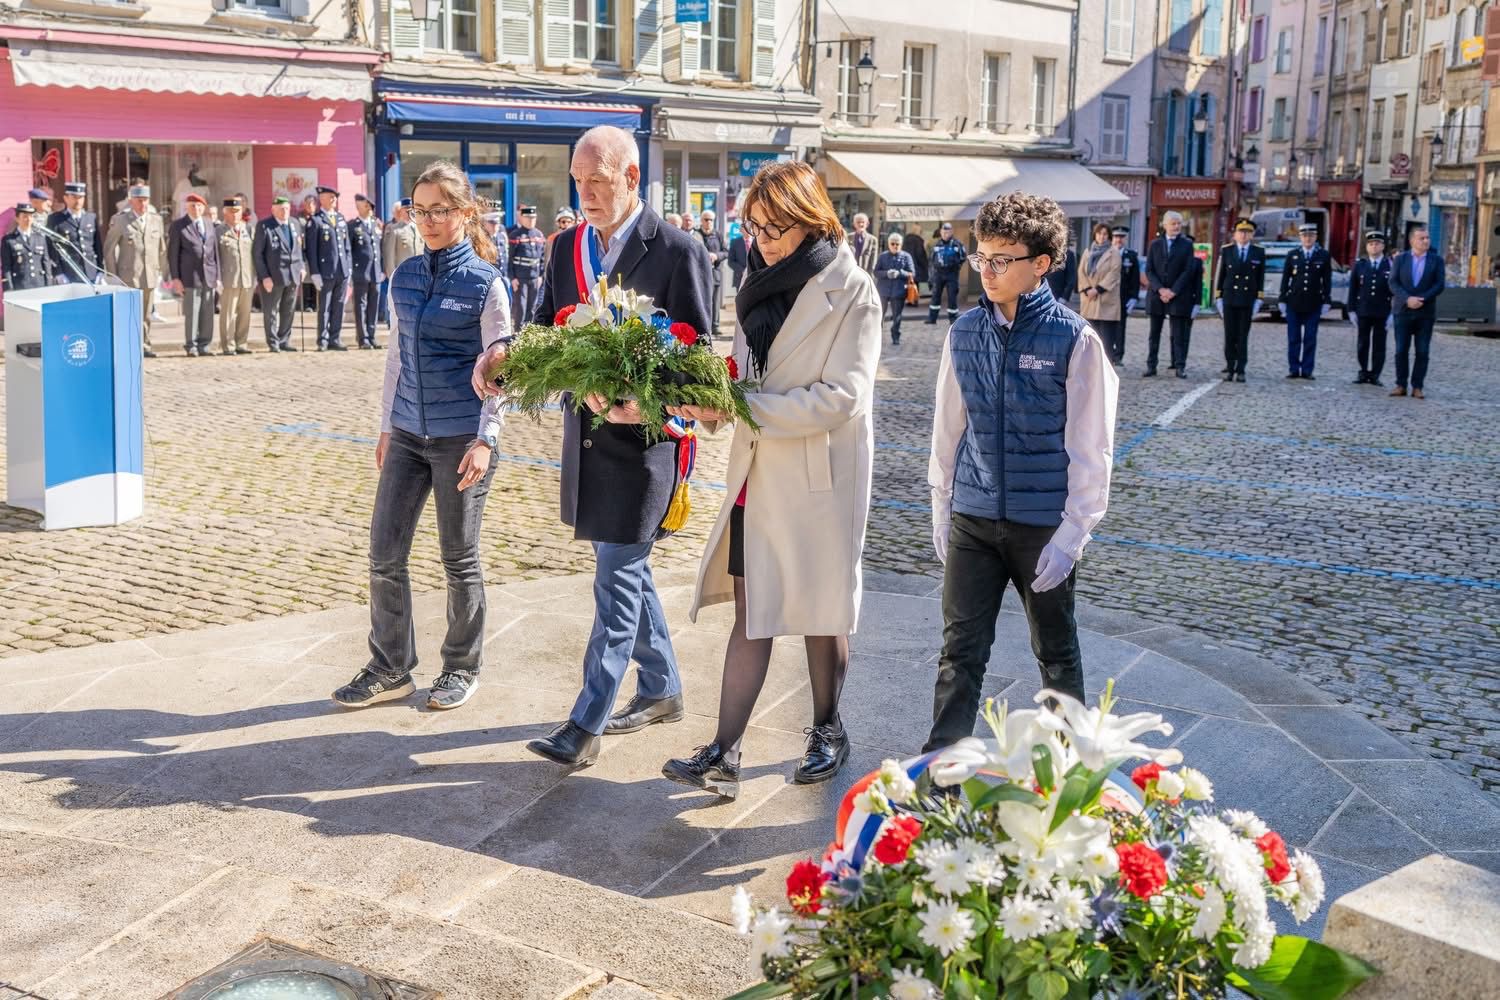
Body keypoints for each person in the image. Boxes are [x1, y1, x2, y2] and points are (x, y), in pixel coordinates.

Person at [471, 125, 712, 768]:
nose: (585, 194)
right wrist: (505, 357)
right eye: (578, 182)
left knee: (615, 584)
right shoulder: (567, 247)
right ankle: (661, 689)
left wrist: (644, 400)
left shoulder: (678, 251)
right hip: (588, 442)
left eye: (596, 182)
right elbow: (548, 329)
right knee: (628, 572)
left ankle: (586, 722)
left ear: (631, 179)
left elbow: (695, 362)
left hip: (647, 449)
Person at [659, 160, 882, 798]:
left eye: (776, 227)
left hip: (816, 477)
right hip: (758, 471)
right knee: (752, 615)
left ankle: (827, 729)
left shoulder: (853, 289)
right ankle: (725, 751)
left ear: (811, 219)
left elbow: (844, 397)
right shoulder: (756, 279)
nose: (764, 240)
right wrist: (708, 398)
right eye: (755, 226)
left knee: (820, 611)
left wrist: (741, 405)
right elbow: (744, 370)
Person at [925, 191, 1118, 752]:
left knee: (1056, 651)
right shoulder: (962, 333)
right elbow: (947, 430)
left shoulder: (1075, 339)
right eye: (981, 256)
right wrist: (944, 506)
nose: (987, 269)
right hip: (974, 518)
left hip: (1043, 526)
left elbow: (1092, 447)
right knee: (959, 651)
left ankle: (1071, 768)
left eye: (1002, 259)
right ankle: (940, 771)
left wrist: (1073, 534)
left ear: (1040, 263)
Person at [332, 160, 510, 711]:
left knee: (459, 557)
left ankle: (461, 666)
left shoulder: (486, 281)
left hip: (462, 437)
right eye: (420, 209)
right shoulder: (404, 277)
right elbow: (394, 359)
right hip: (408, 434)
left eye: (440, 210)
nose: (428, 220)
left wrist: (487, 439)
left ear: (464, 213)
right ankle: (391, 666)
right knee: (384, 553)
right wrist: (386, 427)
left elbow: (503, 368)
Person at [103, 184, 167, 358]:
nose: (143, 204)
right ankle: (129, 345)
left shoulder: (156, 220)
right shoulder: (120, 220)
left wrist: (161, 271)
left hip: (149, 275)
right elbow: (109, 249)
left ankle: (145, 345)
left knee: (146, 314)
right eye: (139, 200)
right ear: (131, 201)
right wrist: (112, 275)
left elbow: (161, 248)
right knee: (130, 314)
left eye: (145, 200)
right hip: (128, 276)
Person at [1388, 224, 1445, 399]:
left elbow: (1439, 284)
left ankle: (1417, 386)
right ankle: (1400, 384)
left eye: (1427, 238)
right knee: (1401, 349)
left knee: (1422, 351)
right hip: (1403, 311)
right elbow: (1393, 282)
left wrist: (1422, 299)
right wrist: (1408, 298)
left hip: (1425, 313)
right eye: (1422, 238)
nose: (1426, 241)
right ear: (1412, 240)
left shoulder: (1436, 260)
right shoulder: (1401, 259)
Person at [167, 192, 220, 358]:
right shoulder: (178, 226)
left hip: (209, 274)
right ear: (186, 207)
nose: (196, 209)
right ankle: (191, 345)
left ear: (203, 208)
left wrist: (217, 275)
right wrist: (176, 278)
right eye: (192, 206)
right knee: (192, 312)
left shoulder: (209, 224)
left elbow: (214, 251)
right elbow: (173, 254)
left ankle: (205, 344)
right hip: (189, 276)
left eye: (199, 206)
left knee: (207, 311)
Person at [1143, 211, 1196, 377]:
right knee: (1154, 334)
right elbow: (1149, 270)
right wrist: (1160, 289)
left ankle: (1180, 366)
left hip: (1178, 296)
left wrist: (1173, 291)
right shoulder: (1155, 244)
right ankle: (1151, 365)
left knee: (1178, 334)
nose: (1176, 226)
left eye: (1179, 224)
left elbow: (1188, 271)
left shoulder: (1187, 245)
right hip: (1157, 295)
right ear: (1164, 225)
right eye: (1173, 223)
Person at [1214, 219, 1266, 383]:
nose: (1244, 235)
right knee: (1229, 335)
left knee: (1243, 335)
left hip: (1247, 299)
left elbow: (1260, 277)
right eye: (1241, 232)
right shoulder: (1227, 251)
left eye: (1247, 232)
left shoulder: (1258, 252)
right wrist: (1218, 297)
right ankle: (1230, 367)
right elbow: (1221, 275)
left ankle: (1241, 369)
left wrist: (1259, 298)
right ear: (1235, 234)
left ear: (1252, 235)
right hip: (1229, 298)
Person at [1280, 222, 1332, 380]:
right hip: (1294, 303)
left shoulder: (1323, 255)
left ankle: (1307, 370)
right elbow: (1286, 279)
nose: (1308, 239)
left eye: (1311, 236)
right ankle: (1294, 368)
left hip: (1314, 303)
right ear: (1300, 237)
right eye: (1304, 236)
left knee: (1310, 338)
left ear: (1315, 237)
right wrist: (1282, 299)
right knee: (1294, 338)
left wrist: (1327, 300)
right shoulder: (1292, 254)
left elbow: (1326, 280)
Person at [253, 195, 304, 353]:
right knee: (271, 311)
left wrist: (301, 266)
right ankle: (273, 342)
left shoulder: (295, 224)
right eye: (281, 209)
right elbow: (257, 254)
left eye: (287, 208)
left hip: (292, 274)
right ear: (273, 209)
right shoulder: (265, 226)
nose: (285, 212)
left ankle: (284, 340)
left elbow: (298, 249)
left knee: (288, 310)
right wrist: (264, 276)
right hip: (273, 277)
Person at [306, 185, 353, 351]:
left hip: (342, 271)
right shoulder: (316, 220)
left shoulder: (340, 219)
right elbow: (311, 250)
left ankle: (335, 338)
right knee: (324, 307)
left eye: (335, 197)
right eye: (330, 197)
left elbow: (347, 247)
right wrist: (315, 272)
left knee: (338, 306)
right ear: (322, 199)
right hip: (325, 272)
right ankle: (323, 339)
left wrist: (349, 269)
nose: (333, 199)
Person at [1348, 230, 1393, 386]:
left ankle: (1375, 374)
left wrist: (1392, 313)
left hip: (1382, 311)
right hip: (1363, 310)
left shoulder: (1390, 264)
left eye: (1377, 244)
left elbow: (1394, 290)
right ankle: (1363, 371)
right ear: (1367, 247)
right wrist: (1351, 310)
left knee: (1379, 345)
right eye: (1371, 244)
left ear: (1383, 246)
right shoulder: (1360, 264)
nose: (1374, 247)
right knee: (1362, 343)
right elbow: (1353, 289)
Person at [216, 197, 256, 356]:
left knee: (245, 312)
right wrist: (217, 278)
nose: (234, 215)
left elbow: (254, 254)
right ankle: (228, 345)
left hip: (247, 277)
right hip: (228, 279)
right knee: (228, 314)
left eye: (237, 212)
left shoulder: (249, 229)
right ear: (224, 212)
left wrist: (257, 276)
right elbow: (215, 256)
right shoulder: (219, 230)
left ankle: (242, 343)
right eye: (231, 212)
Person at [1077, 223, 1120, 360]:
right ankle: (1090, 366)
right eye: (1099, 233)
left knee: (1106, 339)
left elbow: (1114, 274)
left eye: (1105, 234)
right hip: (1089, 299)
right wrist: (1088, 289)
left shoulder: (1114, 252)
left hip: (1105, 300)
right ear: (1094, 235)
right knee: (1090, 337)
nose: (1102, 237)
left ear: (1109, 236)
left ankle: (1107, 366)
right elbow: (1081, 272)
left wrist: (1097, 289)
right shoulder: (1088, 251)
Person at [46, 181, 102, 283]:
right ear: (66, 198)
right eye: (74, 197)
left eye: (80, 197)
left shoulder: (91, 218)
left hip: (91, 272)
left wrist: (100, 270)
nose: (78, 201)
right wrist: (58, 272)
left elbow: (97, 246)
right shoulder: (55, 219)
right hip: (69, 272)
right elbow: (51, 248)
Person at [350, 193, 384, 349]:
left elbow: (381, 248)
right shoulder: (353, 226)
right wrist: (350, 273)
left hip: (375, 272)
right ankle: (362, 338)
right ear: (360, 207)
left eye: (370, 206)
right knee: (361, 306)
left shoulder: (375, 225)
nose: (370, 209)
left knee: (373, 306)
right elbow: (349, 251)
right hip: (360, 273)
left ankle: (371, 336)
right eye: (367, 206)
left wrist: (382, 269)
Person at [507, 205, 546, 328]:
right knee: (521, 308)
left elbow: (542, 258)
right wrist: (512, 278)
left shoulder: (539, 235)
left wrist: (540, 275)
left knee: (532, 307)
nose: (531, 220)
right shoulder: (515, 235)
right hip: (520, 279)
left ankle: (529, 334)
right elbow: (509, 259)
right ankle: (518, 334)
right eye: (528, 218)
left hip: (535, 278)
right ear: (522, 218)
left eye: (533, 218)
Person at [875, 231, 916, 344]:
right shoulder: (883, 256)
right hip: (883, 290)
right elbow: (876, 272)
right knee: (879, 315)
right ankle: (876, 336)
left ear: (901, 245)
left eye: (897, 244)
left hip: (898, 291)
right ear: (889, 244)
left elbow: (912, 273)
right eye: (892, 243)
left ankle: (895, 335)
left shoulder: (906, 256)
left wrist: (900, 273)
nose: (895, 246)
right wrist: (886, 273)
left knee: (897, 316)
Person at [2, 204, 51, 291]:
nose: (28, 219)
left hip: (39, 285)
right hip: (20, 285)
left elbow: (46, 263)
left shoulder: (40, 238)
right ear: (17, 219)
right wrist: (9, 289)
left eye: (31, 216)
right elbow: (6, 267)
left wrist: (49, 286)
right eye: (25, 216)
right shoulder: (9, 240)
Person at [695, 209, 727, 337]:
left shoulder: (718, 234)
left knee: (714, 301)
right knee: (702, 300)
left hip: (715, 273)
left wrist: (716, 255)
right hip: (700, 274)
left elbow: (726, 252)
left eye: (711, 220)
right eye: (706, 219)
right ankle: (704, 326)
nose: (709, 222)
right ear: (701, 221)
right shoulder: (696, 234)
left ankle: (715, 326)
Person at [927, 222, 965, 325]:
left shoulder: (957, 244)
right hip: (938, 274)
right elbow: (931, 260)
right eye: (944, 232)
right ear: (941, 232)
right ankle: (932, 318)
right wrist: (930, 277)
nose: (945, 234)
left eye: (947, 232)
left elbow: (963, 257)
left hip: (952, 274)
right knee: (935, 296)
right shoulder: (936, 244)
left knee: (952, 297)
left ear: (951, 232)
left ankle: (953, 319)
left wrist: (956, 266)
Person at [1112, 226, 1139, 365]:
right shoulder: (1107, 253)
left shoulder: (1131, 255)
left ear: (1126, 239)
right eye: (1116, 236)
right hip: (1107, 299)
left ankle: (1118, 356)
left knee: (1120, 328)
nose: (1119, 240)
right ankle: (1107, 354)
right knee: (1106, 327)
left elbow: (1135, 279)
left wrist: (1134, 298)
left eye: (1121, 237)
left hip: (1123, 298)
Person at [728, 222, 748, 290]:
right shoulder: (735, 242)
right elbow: (730, 261)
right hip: (740, 278)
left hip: (755, 278)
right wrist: (742, 271)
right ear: (740, 230)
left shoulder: (758, 242)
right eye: (745, 227)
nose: (748, 230)